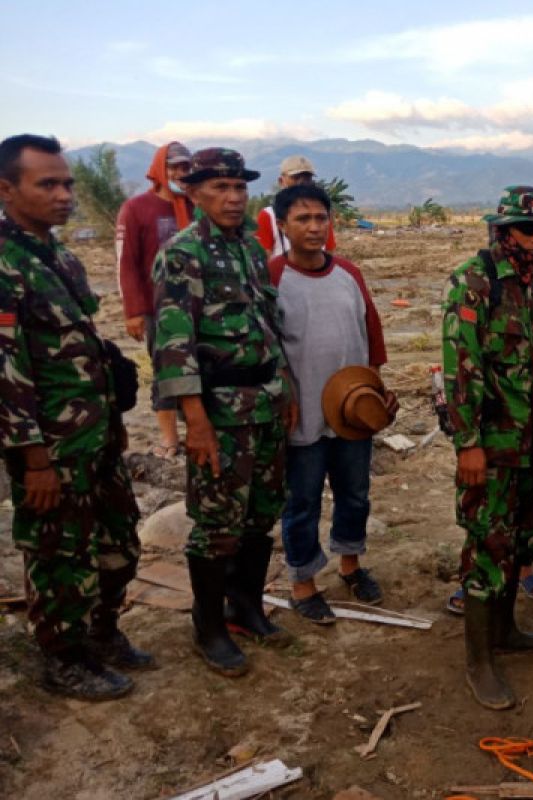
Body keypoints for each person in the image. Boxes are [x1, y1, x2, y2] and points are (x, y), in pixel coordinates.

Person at [0, 134, 150, 700]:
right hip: (51, 451)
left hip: (97, 438)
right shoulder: (4, 264)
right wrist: (32, 460)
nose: (64, 194)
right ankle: (64, 659)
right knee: (61, 559)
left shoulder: (58, 256)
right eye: (48, 184)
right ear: (6, 189)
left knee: (119, 543)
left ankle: (103, 634)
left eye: (67, 183)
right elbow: (5, 372)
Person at [153, 147, 299, 677]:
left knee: (261, 514)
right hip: (219, 413)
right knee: (217, 523)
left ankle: (246, 607)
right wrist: (195, 422)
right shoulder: (183, 253)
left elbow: (270, 325)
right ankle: (208, 626)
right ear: (193, 194)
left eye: (239, 188)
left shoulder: (251, 250)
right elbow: (173, 343)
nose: (234, 198)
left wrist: (285, 387)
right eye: (221, 188)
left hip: (263, 403)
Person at [441, 185, 533, 709]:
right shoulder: (475, 282)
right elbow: (460, 369)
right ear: (502, 229)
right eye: (526, 230)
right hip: (491, 446)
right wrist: (468, 443)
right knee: (487, 547)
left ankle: (507, 629)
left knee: (523, 541)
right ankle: (478, 662)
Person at [267, 183, 396, 623]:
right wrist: (282, 398)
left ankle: (351, 565)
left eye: (321, 218)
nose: (314, 227)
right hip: (300, 410)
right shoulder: (272, 277)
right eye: (302, 219)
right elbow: (264, 346)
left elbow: (371, 332)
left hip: (352, 408)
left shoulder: (349, 274)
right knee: (301, 500)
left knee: (355, 494)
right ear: (282, 225)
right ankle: (303, 583)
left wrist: (375, 389)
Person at [115, 141, 193, 458]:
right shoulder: (136, 209)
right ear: (160, 170)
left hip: (199, 307)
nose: (181, 173)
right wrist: (134, 311)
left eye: (186, 167)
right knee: (166, 373)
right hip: (158, 309)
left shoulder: (195, 207)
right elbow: (126, 262)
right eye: (174, 167)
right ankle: (169, 438)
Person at [255, 155, 335, 257]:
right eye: (295, 178)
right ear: (281, 181)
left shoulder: (321, 212)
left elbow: (329, 252)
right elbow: (263, 258)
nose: (302, 183)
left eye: (307, 178)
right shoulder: (269, 215)